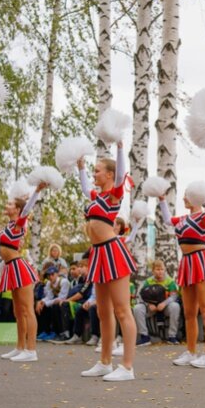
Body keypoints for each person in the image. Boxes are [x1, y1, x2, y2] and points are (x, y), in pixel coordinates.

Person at [73, 138, 138, 381]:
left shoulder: (114, 194)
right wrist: (80, 167)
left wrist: (120, 148)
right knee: (103, 311)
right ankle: (105, 361)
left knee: (122, 310)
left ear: (110, 175)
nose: (94, 174)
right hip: (98, 254)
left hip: (112, 252)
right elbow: (83, 187)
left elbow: (122, 175)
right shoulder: (97, 197)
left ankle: (127, 366)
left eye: (97, 170)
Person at [158, 181, 205, 368]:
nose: (184, 198)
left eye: (186, 195)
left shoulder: (203, 216)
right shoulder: (183, 219)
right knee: (189, 312)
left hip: (201, 261)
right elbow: (168, 220)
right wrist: (162, 201)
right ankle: (191, 352)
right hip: (186, 262)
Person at [0, 182, 47, 361]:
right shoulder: (9, 225)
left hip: (19, 267)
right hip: (10, 268)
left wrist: (36, 192)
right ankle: (20, 347)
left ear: (17, 209)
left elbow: (27, 211)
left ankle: (31, 350)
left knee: (27, 309)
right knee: (17, 311)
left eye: (10, 204)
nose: (7, 205)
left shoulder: (19, 223)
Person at [133, 260, 181, 345]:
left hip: (165, 307)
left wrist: (164, 303)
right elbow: (141, 296)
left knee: (175, 306)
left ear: (165, 270)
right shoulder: (148, 281)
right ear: (153, 271)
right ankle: (145, 337)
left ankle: (172, 336)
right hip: (151, 308)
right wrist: (149, 304)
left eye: (162, 269)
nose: (160, 271)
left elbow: (174, 296)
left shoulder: (170, 281)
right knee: (137, 308)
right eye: (157, 269)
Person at [35, 267, 69, 340]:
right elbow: (49, 296)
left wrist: (45, 303)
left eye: (52, 274)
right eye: (49, 275)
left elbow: (62, 297)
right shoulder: (49, 283)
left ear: (57, 274)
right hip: (55, 301)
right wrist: (42, 302)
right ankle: (44, 331)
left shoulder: (64, 282)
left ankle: (59, 332)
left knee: (55, 306)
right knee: (41, 306)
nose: (50, 277)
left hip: (66, 301)